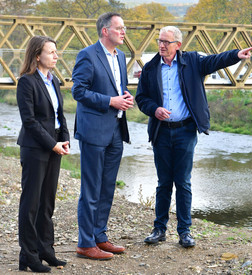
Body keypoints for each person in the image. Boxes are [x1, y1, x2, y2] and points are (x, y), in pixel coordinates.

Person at [135, 26, 252, 248]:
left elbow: (214, 61)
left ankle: (184, 232)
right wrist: (154, 110)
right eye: (159, 41)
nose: (162, 45)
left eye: (166, 42)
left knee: (183, 182)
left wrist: (236, 54)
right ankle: (159, 229)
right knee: (163, 183)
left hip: (185, 131)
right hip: (161, 132)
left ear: (178, 45)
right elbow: (141, 98)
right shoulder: (151, 68)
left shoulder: (192, 61)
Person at [72, 12, 134, 260]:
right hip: (94, 132)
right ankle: (85, 243)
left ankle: (100, 236)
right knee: (91, 189)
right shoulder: (87, 55)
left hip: (116, 131)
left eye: (124, 27)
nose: (124, 32)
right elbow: (78, 91)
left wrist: (125, 97)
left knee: (107, 188)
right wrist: (111, 101)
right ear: (105, 31)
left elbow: (118, 89)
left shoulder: (121, 57)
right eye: (119, 28)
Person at [17, 35, 70, 272]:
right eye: (51, 52)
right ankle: (29, 255)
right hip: (35, 148)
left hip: (54, 147)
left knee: (47, 202)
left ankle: (46, 250)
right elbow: (29, 121)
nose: (56, 56)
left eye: (56, 52)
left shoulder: (54, 80)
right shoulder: (26, 82)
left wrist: (65, 138)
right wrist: (52, 144)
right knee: (31, 204)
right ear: (37, 55)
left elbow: (60, 114)